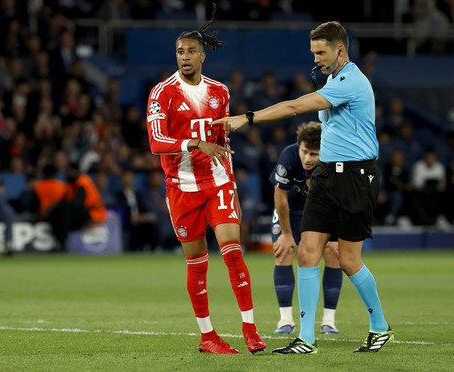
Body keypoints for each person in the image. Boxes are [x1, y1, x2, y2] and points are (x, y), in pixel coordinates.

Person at [213, 21, 393, 354]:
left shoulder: (351, 82)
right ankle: (306, 338)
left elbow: (295, 107)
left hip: (356, 177)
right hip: (325, 177)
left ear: (340, 49)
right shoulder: (333, 80)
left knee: (348, 259)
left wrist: (247, 117)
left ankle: (379, 326)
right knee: (308, 253)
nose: (316, 59)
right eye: (313, 53)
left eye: (321, 52)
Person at [145, 7, 266, 355]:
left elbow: (224, 142)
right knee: (197, 263)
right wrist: (195, 143)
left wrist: (233, 185)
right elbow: (156, 143)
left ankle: (250, 328)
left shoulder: (220, 91)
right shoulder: (161, 93)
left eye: (190, 51)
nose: (184, 57)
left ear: (202, 55)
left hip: (217, 182)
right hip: (181, 187)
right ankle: (207, 336)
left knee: (232, 253)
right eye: (180, 52)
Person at [269, 121, 342, 335]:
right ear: (298, 146)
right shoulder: (289, 156)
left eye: (314, 154)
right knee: (284, 252)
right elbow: (280, 196)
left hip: (321, 210)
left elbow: (340, 199)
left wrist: (336, 234)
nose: (307, 159)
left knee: (333, 252)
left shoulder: (334, 160)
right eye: (304, 152)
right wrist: (286, 233)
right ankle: (285, 320)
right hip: (290, 209)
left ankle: (329, 321)